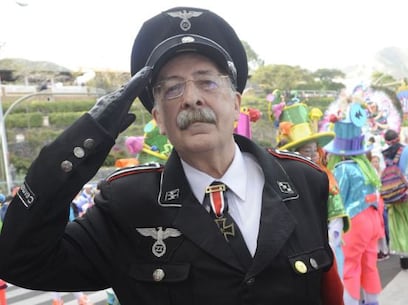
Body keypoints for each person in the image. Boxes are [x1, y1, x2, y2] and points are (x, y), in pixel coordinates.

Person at [0, 6, 343, 305]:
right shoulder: (126, 205)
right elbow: (20, 260)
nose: (191, 98)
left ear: (236, 102)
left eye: (207, 82)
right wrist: (85, 138)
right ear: (159, 119)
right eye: (173, 88)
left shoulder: (303, 182)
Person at [275, 101, 350, 279]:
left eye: (313, 150)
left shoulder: (324, 178)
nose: (311, 155)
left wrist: (330, 242)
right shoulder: (280, 179)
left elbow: (335, 216)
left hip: (322, 248)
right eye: (305, 150)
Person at [325, 102, 383, 305]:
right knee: (369, 265)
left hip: (353, 222)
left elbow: (337, 201)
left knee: (349, 267)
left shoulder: (341, 169)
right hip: (372, 219)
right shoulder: (367, 169)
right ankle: (373, 301)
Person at [381, 129, 408, 270]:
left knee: (400, 229)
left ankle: (405, 263)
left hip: (392, 197)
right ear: (399, 137)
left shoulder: (384, 155)